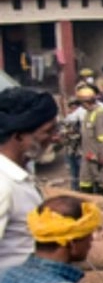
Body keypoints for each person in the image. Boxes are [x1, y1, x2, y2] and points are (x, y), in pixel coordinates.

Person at [0, 88, 59, 270]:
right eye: (48, 131)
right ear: (18, 137)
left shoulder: (21, 174)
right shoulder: (4, 185)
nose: (55, 138)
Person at [77, 87, 103, 195]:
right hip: (87, 155)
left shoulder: (100, 114)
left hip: (96, 156)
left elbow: (102, 138)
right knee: (85, 182)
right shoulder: (88, 113)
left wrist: (101, 156)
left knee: (101, 182)